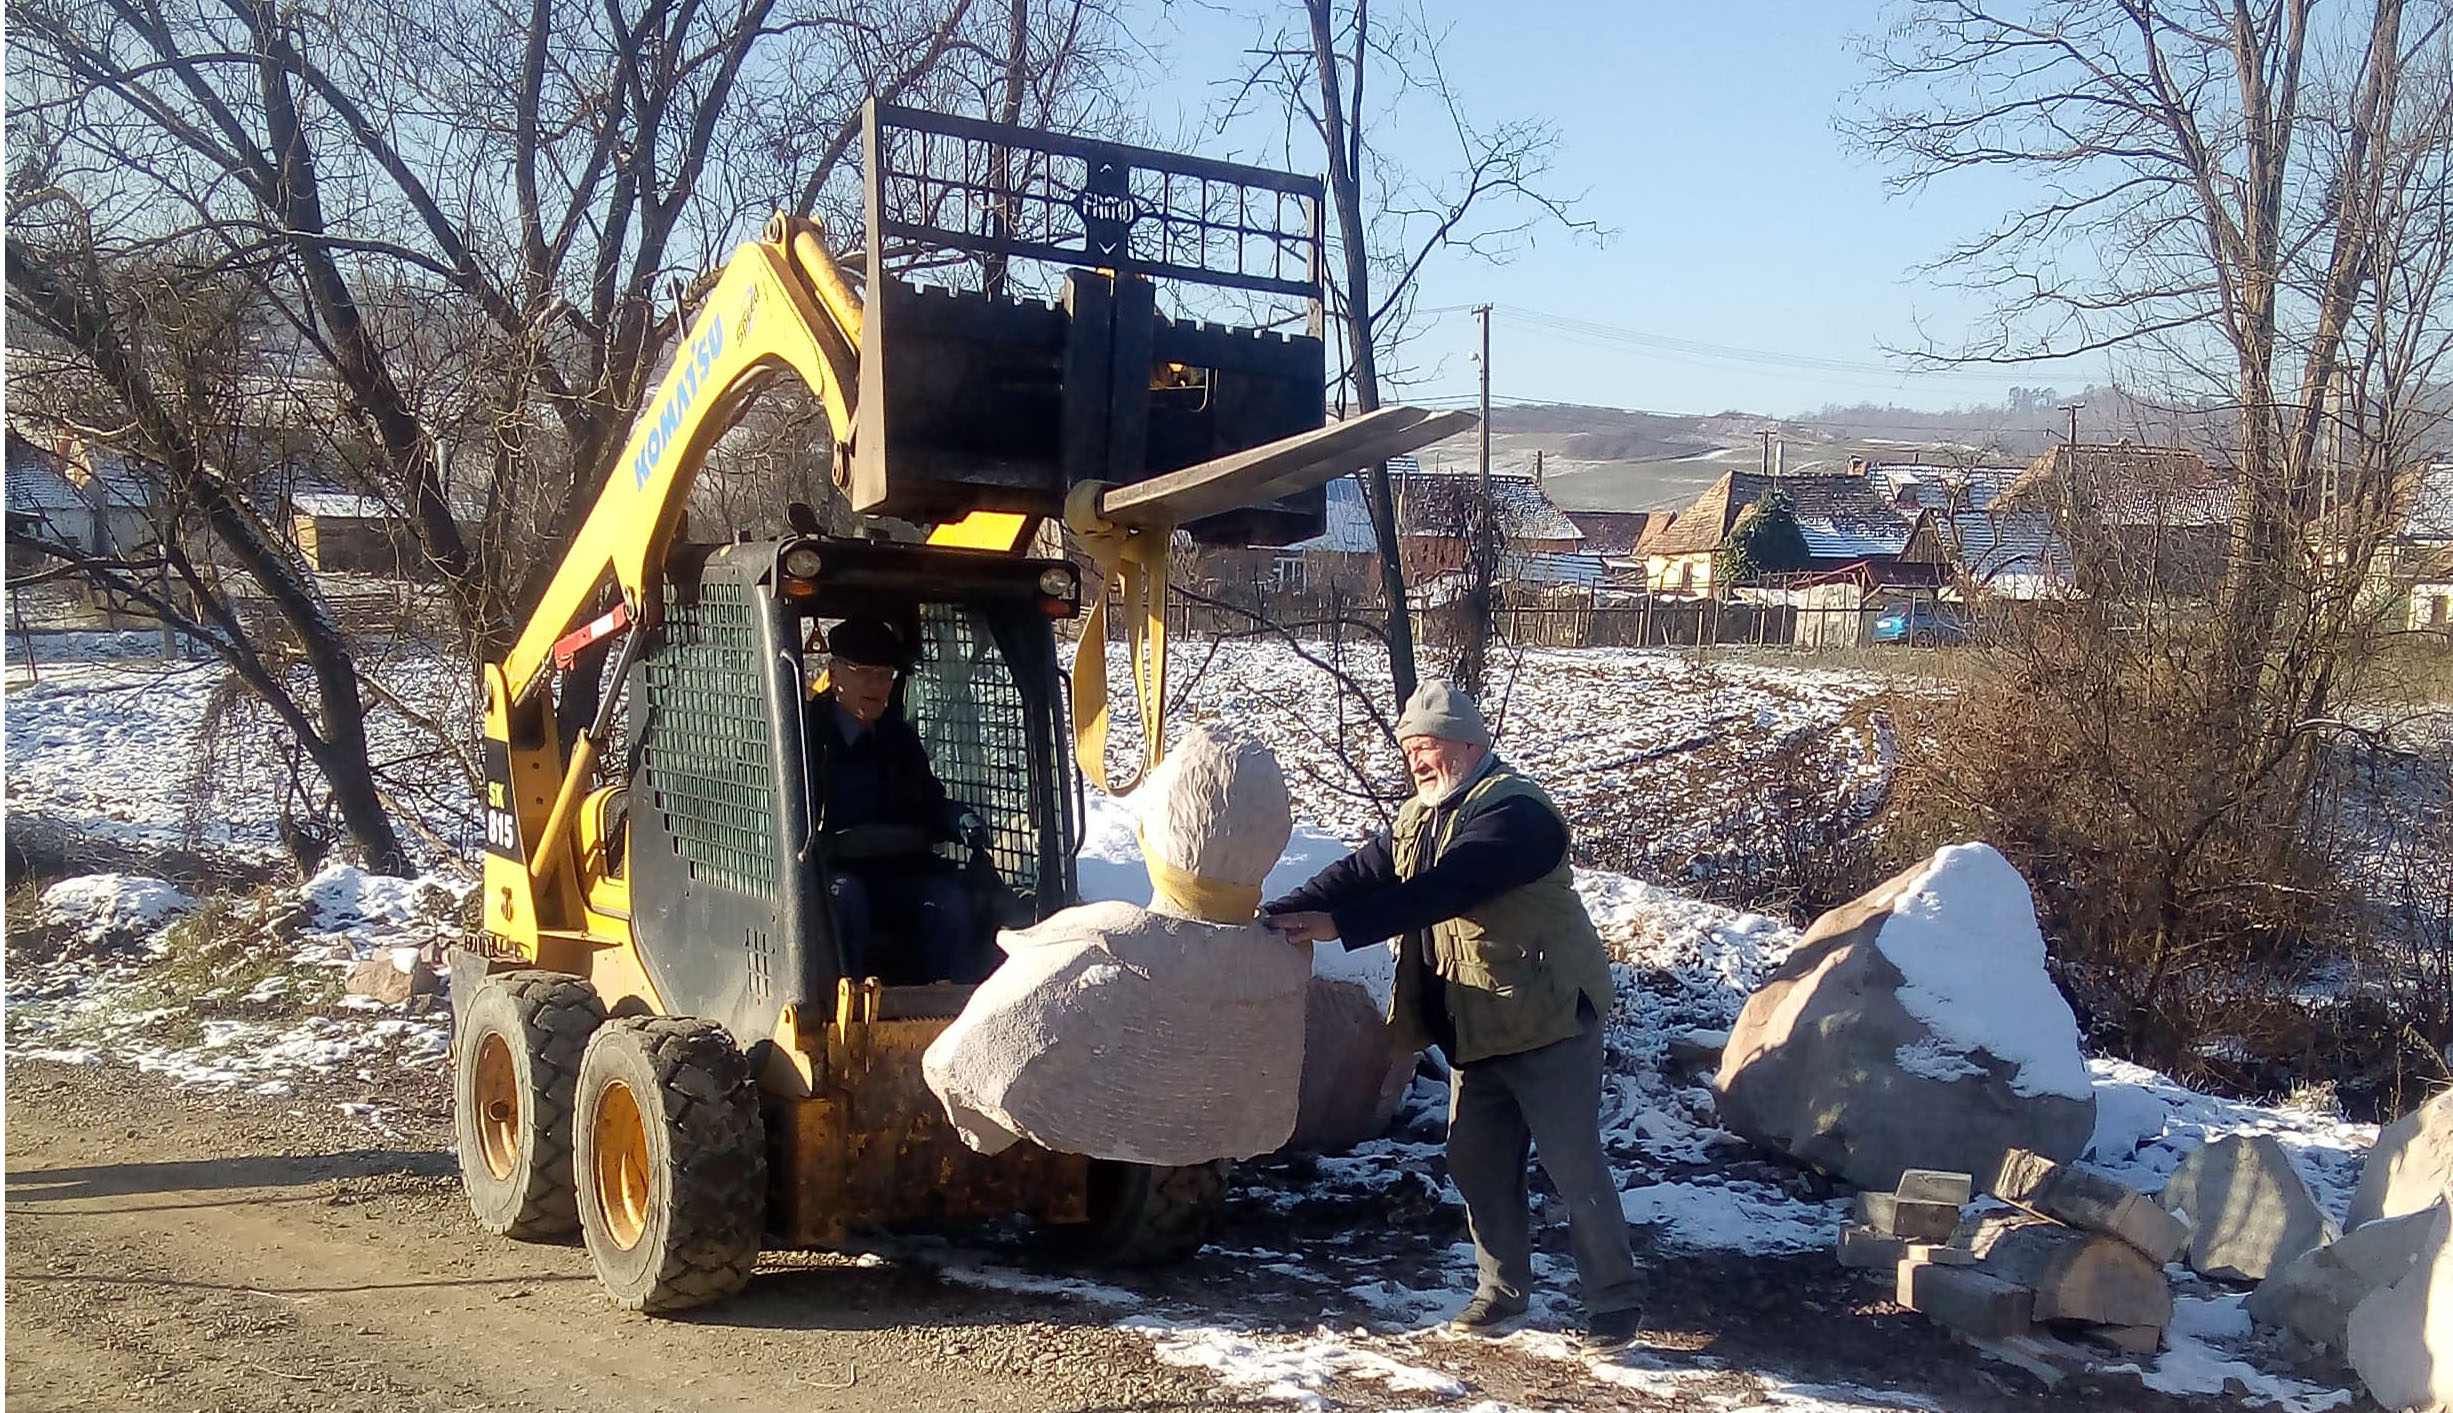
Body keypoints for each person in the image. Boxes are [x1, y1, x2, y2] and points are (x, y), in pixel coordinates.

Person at [1261, 679, 1644, 1349]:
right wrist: (1275, 914)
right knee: (1474, 1159)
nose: (1417, 760)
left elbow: (1446, 888)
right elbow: (1358, 873)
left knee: (1569, 1162)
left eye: (1429, 745)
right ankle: (1501, 1293)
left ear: (1471, 744)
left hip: (1547, 1016)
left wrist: (1338, 927)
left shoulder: (1515, 814)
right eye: (1409, 748)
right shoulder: (1418, 816)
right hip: (1475, 1024)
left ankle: (1612, 1303)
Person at [807, 616, 984, 985]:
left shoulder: (898, 738)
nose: (877, 685)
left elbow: (927, 802)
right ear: (834, 672)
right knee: (844, 899)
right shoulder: (805, 735)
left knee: (948, 902)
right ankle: (845, 1011)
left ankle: (948, 1008)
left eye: (885, 674)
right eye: (864, 672)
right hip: (832, 875)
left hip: (895, 874)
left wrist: (956, 818)